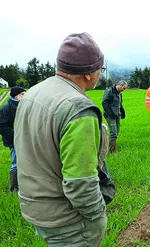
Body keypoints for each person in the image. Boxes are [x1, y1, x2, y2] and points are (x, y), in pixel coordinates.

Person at [14, 33, 109, 246]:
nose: (100, 75)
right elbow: (80, 183)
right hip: (67, 220)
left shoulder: (33, 93)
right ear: (88, 74)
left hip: (35, 206)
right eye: (100, 70)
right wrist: (97, 215)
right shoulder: (78, 109)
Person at [0, 86, 26, 192]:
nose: (25, 96)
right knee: (16, 163)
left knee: (25, 162)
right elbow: (2, 126)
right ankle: (14, 188)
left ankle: (24, 186)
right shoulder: (6, 108)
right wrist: (16, 135)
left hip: (23, 139)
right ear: (15, 96)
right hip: (13, 141)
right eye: (22, 94)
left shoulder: (23, 106)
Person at [102, 80, 128, 153]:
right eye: (124, 88)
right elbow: (104, 102)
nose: (124, 90)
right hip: (110, 115)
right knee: (113, 132)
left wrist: (123, 112)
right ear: (120, 85)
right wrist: (109, 113)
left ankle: (108, 145)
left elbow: (120, 104)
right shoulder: (109, 91)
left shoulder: (120, 94)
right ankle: (111, 151)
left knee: (117, 131)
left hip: (117, 115)